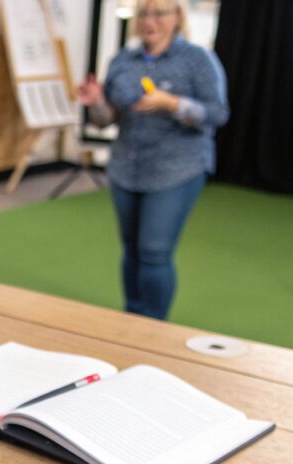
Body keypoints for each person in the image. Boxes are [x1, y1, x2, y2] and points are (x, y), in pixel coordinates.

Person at [76, 0, 229, 320]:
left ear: (177, 17)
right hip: (126, 169)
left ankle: (154, 324)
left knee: (153, 251)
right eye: (144, 13)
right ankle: (133, 317)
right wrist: (96, 102)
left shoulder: (198, 60)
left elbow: (216, 113)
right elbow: (106, 120)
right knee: (131, 248)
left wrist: (172, 103)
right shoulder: (122, 61)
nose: (150, 21)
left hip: (177, 170)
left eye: (159, 13)